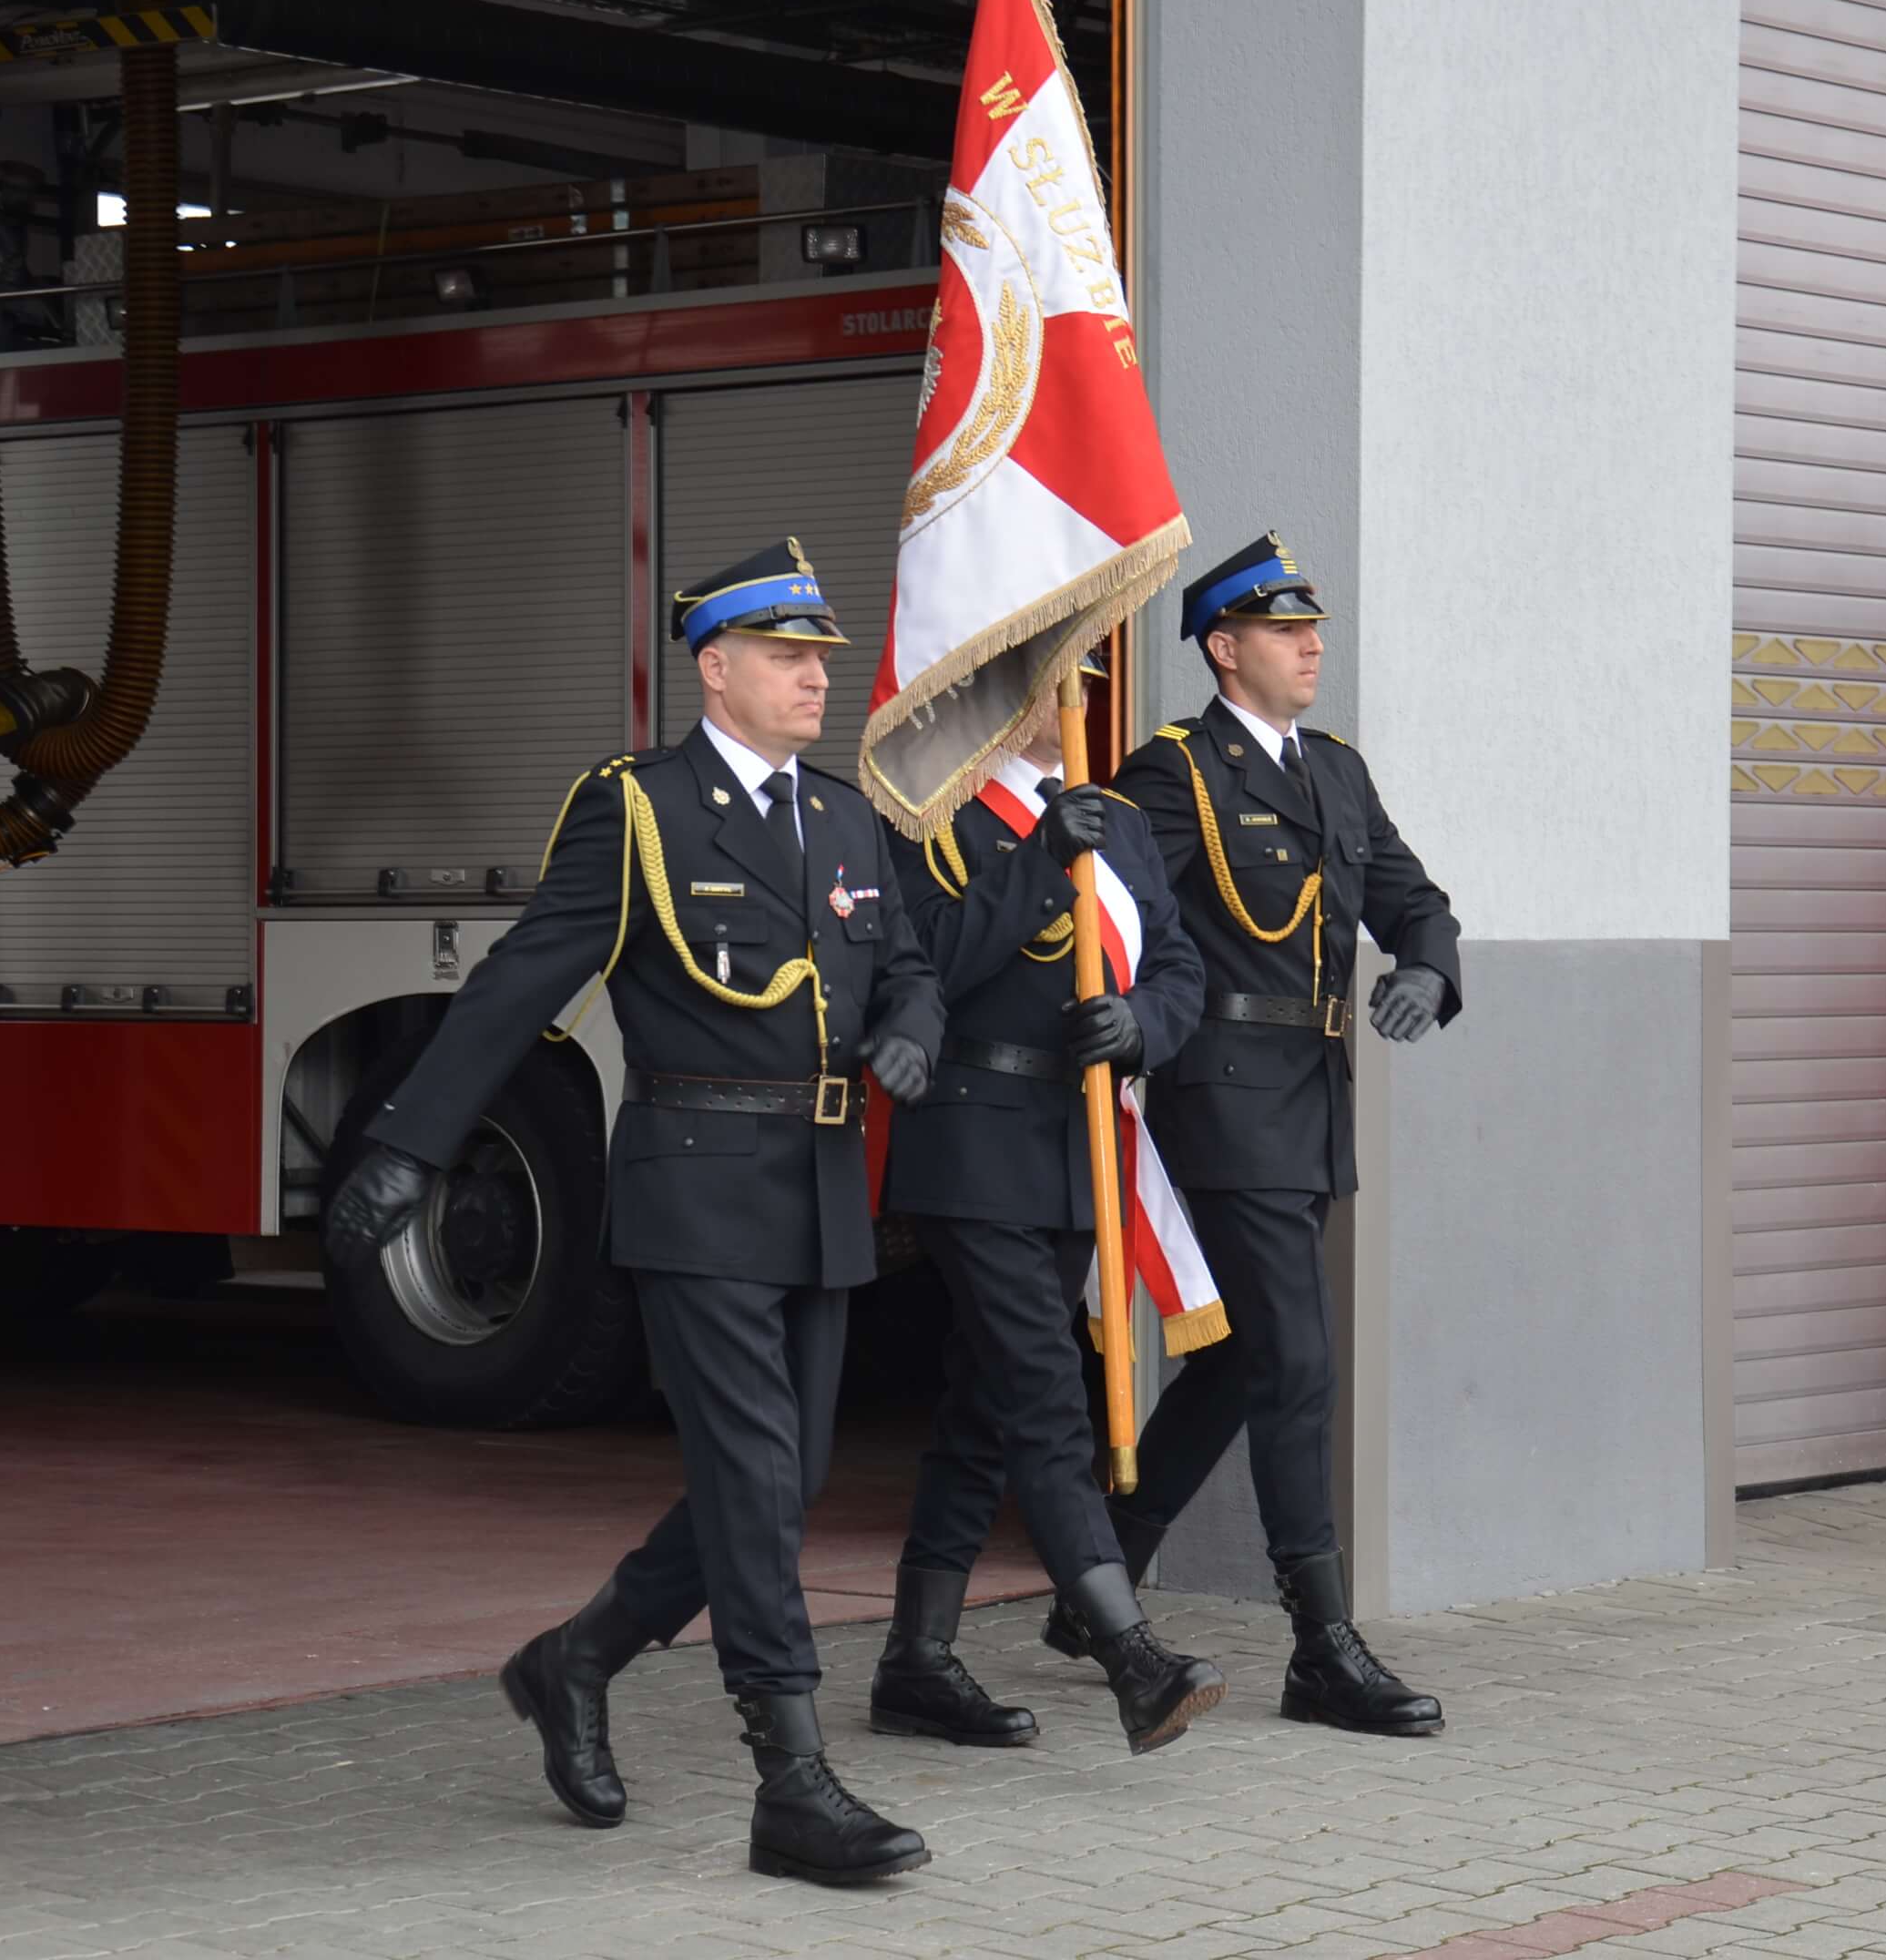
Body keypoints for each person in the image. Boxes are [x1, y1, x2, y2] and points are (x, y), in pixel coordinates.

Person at [322, 538, 945, 1886]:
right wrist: (405, 1151)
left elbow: (908, 966)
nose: (812, 679)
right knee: (754, 1483)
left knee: (784, 1480)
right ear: (715, 669)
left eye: (820, 659)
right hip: (698, 1190)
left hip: (824, 1196)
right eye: (786, 657)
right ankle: (791, 1779)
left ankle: (575, 1661)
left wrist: (912, 1027)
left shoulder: (844, 820)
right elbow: (520, 983)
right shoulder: (643, 810)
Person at [1062, 532, 1463, 1736]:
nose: (1313, 646)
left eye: (1316, 629)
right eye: (1288, 633)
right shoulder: (1174, 773)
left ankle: (1100, 1576)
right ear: (1225, 650)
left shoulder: (1336, 772)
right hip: (1220, 1093)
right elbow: (1109, 904)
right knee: (1297, 1361)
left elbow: (1413, 899)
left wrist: (1431, 973)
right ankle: (1321, 1646)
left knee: (1244, 1360)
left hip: (1314, 1092)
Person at [868, 660, 1227, 1757]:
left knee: (986, 1408)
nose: (1076, 699)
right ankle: (1130, 1653)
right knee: (1042, 1391)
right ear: (998, 695)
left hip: (1078, 1145)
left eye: (1085, 678)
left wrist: (1141, 1025)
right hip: (973, 1137)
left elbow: (1178, 964)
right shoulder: (931, 813)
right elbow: (928, 965)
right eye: (1054, 680)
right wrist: (1038, 860)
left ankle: (916, 1663)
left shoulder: (1113, 818)